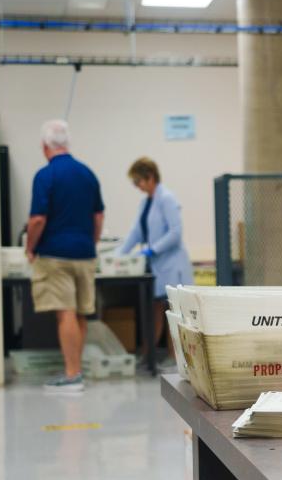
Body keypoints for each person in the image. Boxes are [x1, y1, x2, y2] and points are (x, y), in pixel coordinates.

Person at [26, 120, 104, 392]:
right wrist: (90, 243)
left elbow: (37, 220)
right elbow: (98, 216)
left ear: (45, 146)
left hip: (55, 255)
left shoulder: (45, 176)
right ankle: (77, 370)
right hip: (85, 253)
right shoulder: (87, 174)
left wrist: (30, 248)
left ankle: (72, 375)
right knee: (81, 313)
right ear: (67, 144)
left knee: (65, 313)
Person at [118, 157, 194, 347]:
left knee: (175, 313)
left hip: (173, 265)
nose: (137, 186)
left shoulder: (167, 199)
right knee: (156, 309)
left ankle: (176, 358)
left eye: (138, 181)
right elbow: (136, 233)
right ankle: (149, 356)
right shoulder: (146, 204)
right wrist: (118, 256)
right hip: (158, 266)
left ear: (150, 177)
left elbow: (175, 233)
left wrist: (152, 250)